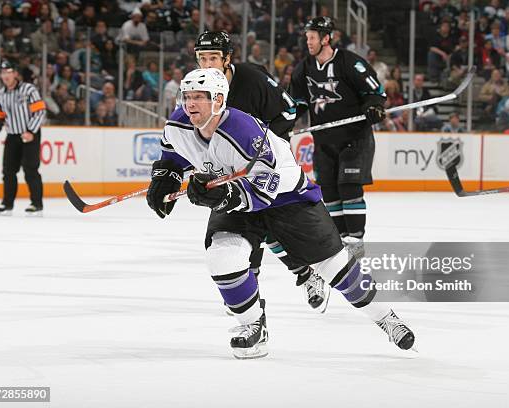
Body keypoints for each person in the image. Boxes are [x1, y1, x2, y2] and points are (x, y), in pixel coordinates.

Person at [145, 68, 415, 359]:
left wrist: (226, 195)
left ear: (219, 99)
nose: (190, 104)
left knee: (335, 267)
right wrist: (166, 178)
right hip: (237, 197)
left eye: (199, 97)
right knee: (222, 257)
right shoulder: (178, 124)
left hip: (287, 197)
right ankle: (253, 326)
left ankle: (386, 317)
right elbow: (172, 153)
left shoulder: (243, 129)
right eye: (187, 96)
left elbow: (267, 185)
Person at [178, 31, 327, 311]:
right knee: (250, 233)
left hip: (263, 166)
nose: (207, 64)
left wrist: (264, 149)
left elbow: (288, 111)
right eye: (202, 58)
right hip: (229, 173)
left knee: (266, 223)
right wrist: (174, 170)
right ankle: (271, 296)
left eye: (213, 58)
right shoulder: (196, 89)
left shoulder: (251, 78)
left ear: (227, 59)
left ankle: (302, 274)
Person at [291, 17, 386, 257]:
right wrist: (283, 123)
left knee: (349, 186)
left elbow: (375, 92)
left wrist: (374, 107)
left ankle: (355, 240)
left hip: (355, 137)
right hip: (323, 140)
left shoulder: (349, 63)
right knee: (330, 191)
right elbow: (298, 104)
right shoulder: (304, 68)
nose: (308, 41)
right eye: (307, 37)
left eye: (312, 37)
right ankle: (341, 240)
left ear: (326, 38)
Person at [0, 61, 46, 216]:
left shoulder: (29, 89)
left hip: (29, 135)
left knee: (30, 169)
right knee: (8, 171)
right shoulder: (1, 94)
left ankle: (36, 204)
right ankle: (7, 204)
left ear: (15, 74)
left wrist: (31, 131)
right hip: (12, 135)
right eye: (3, 72)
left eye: (9, 71)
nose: (5, 75)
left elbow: (40, 112)